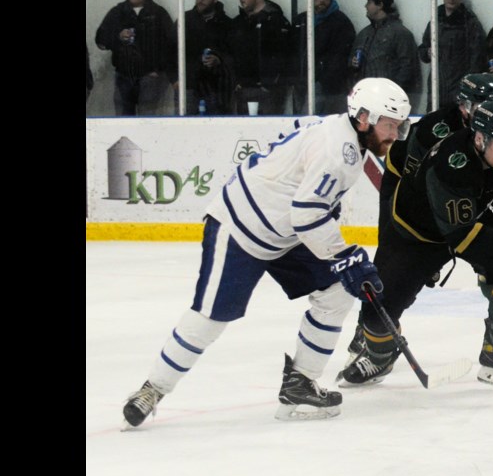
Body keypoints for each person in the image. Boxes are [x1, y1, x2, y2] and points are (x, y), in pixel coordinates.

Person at [121, 78, 412, 428]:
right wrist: (344, 256)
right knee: (212, 317)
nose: (395, 134)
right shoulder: (340, 152)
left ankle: (300, 382)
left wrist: (342, 256)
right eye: (389, 125)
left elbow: (307, 208)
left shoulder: (338, 133)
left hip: (285, 231)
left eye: (399, 126)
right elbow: (307, 214)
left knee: (336, 292)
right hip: (241, 228)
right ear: (363, 117)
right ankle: (152, 388)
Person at [338, 99, 493, 391]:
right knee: (378, 311)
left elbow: (491, 186)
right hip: (416, 236)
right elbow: (463, 238)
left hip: (460, 222)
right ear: (480, 139)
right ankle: (380, 357)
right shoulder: (451, 164)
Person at [95, 0, 176, 115]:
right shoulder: (117, 12)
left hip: (150, 77)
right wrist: (118, 37)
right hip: (123, 76)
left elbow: (171, 44)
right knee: (123, 122)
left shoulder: (158, 13)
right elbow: (100, 40)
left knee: (147, 121)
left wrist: (158, 69)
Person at [227, 0, 293, 115]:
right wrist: (237, 82)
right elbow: (231, 53)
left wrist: (271, 84)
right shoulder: (238, 23)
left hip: (269, 91)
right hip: (244, 88)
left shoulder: (276, 21)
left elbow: (285, 55)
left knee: (271, 133)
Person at [418, 0, 487, 111]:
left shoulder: (470, 23)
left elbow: (478, 57)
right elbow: (423, 50)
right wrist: (427, 52)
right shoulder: (435, 20)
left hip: (459, 90)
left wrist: (467, 88)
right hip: (436, 89)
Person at [349, 0, 421, 111]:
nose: (365, 6)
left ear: (380, 5)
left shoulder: (400, 33)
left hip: (389, 103)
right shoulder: (364, 33)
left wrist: (392, 93)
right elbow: (351, 61)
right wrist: (352, 63)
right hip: (365, 99)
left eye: (369, 2)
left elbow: (407, 67)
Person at [292, 0, 356, 115]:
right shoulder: (301, 20)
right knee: (301, 124)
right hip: (301, 84)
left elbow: (340, 57)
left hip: (328, 89)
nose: (321, 0)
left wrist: (323, 82)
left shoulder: (341, 22)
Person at [172, 0, 235, 115]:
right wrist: (174, 79)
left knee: (216, 128)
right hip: (188, 84)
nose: (200, 0)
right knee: (185, 128)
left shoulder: (226, 24)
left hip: (217, 87)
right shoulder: (184, 20)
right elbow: (170, 49)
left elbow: (233, 54)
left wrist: (218, 59)